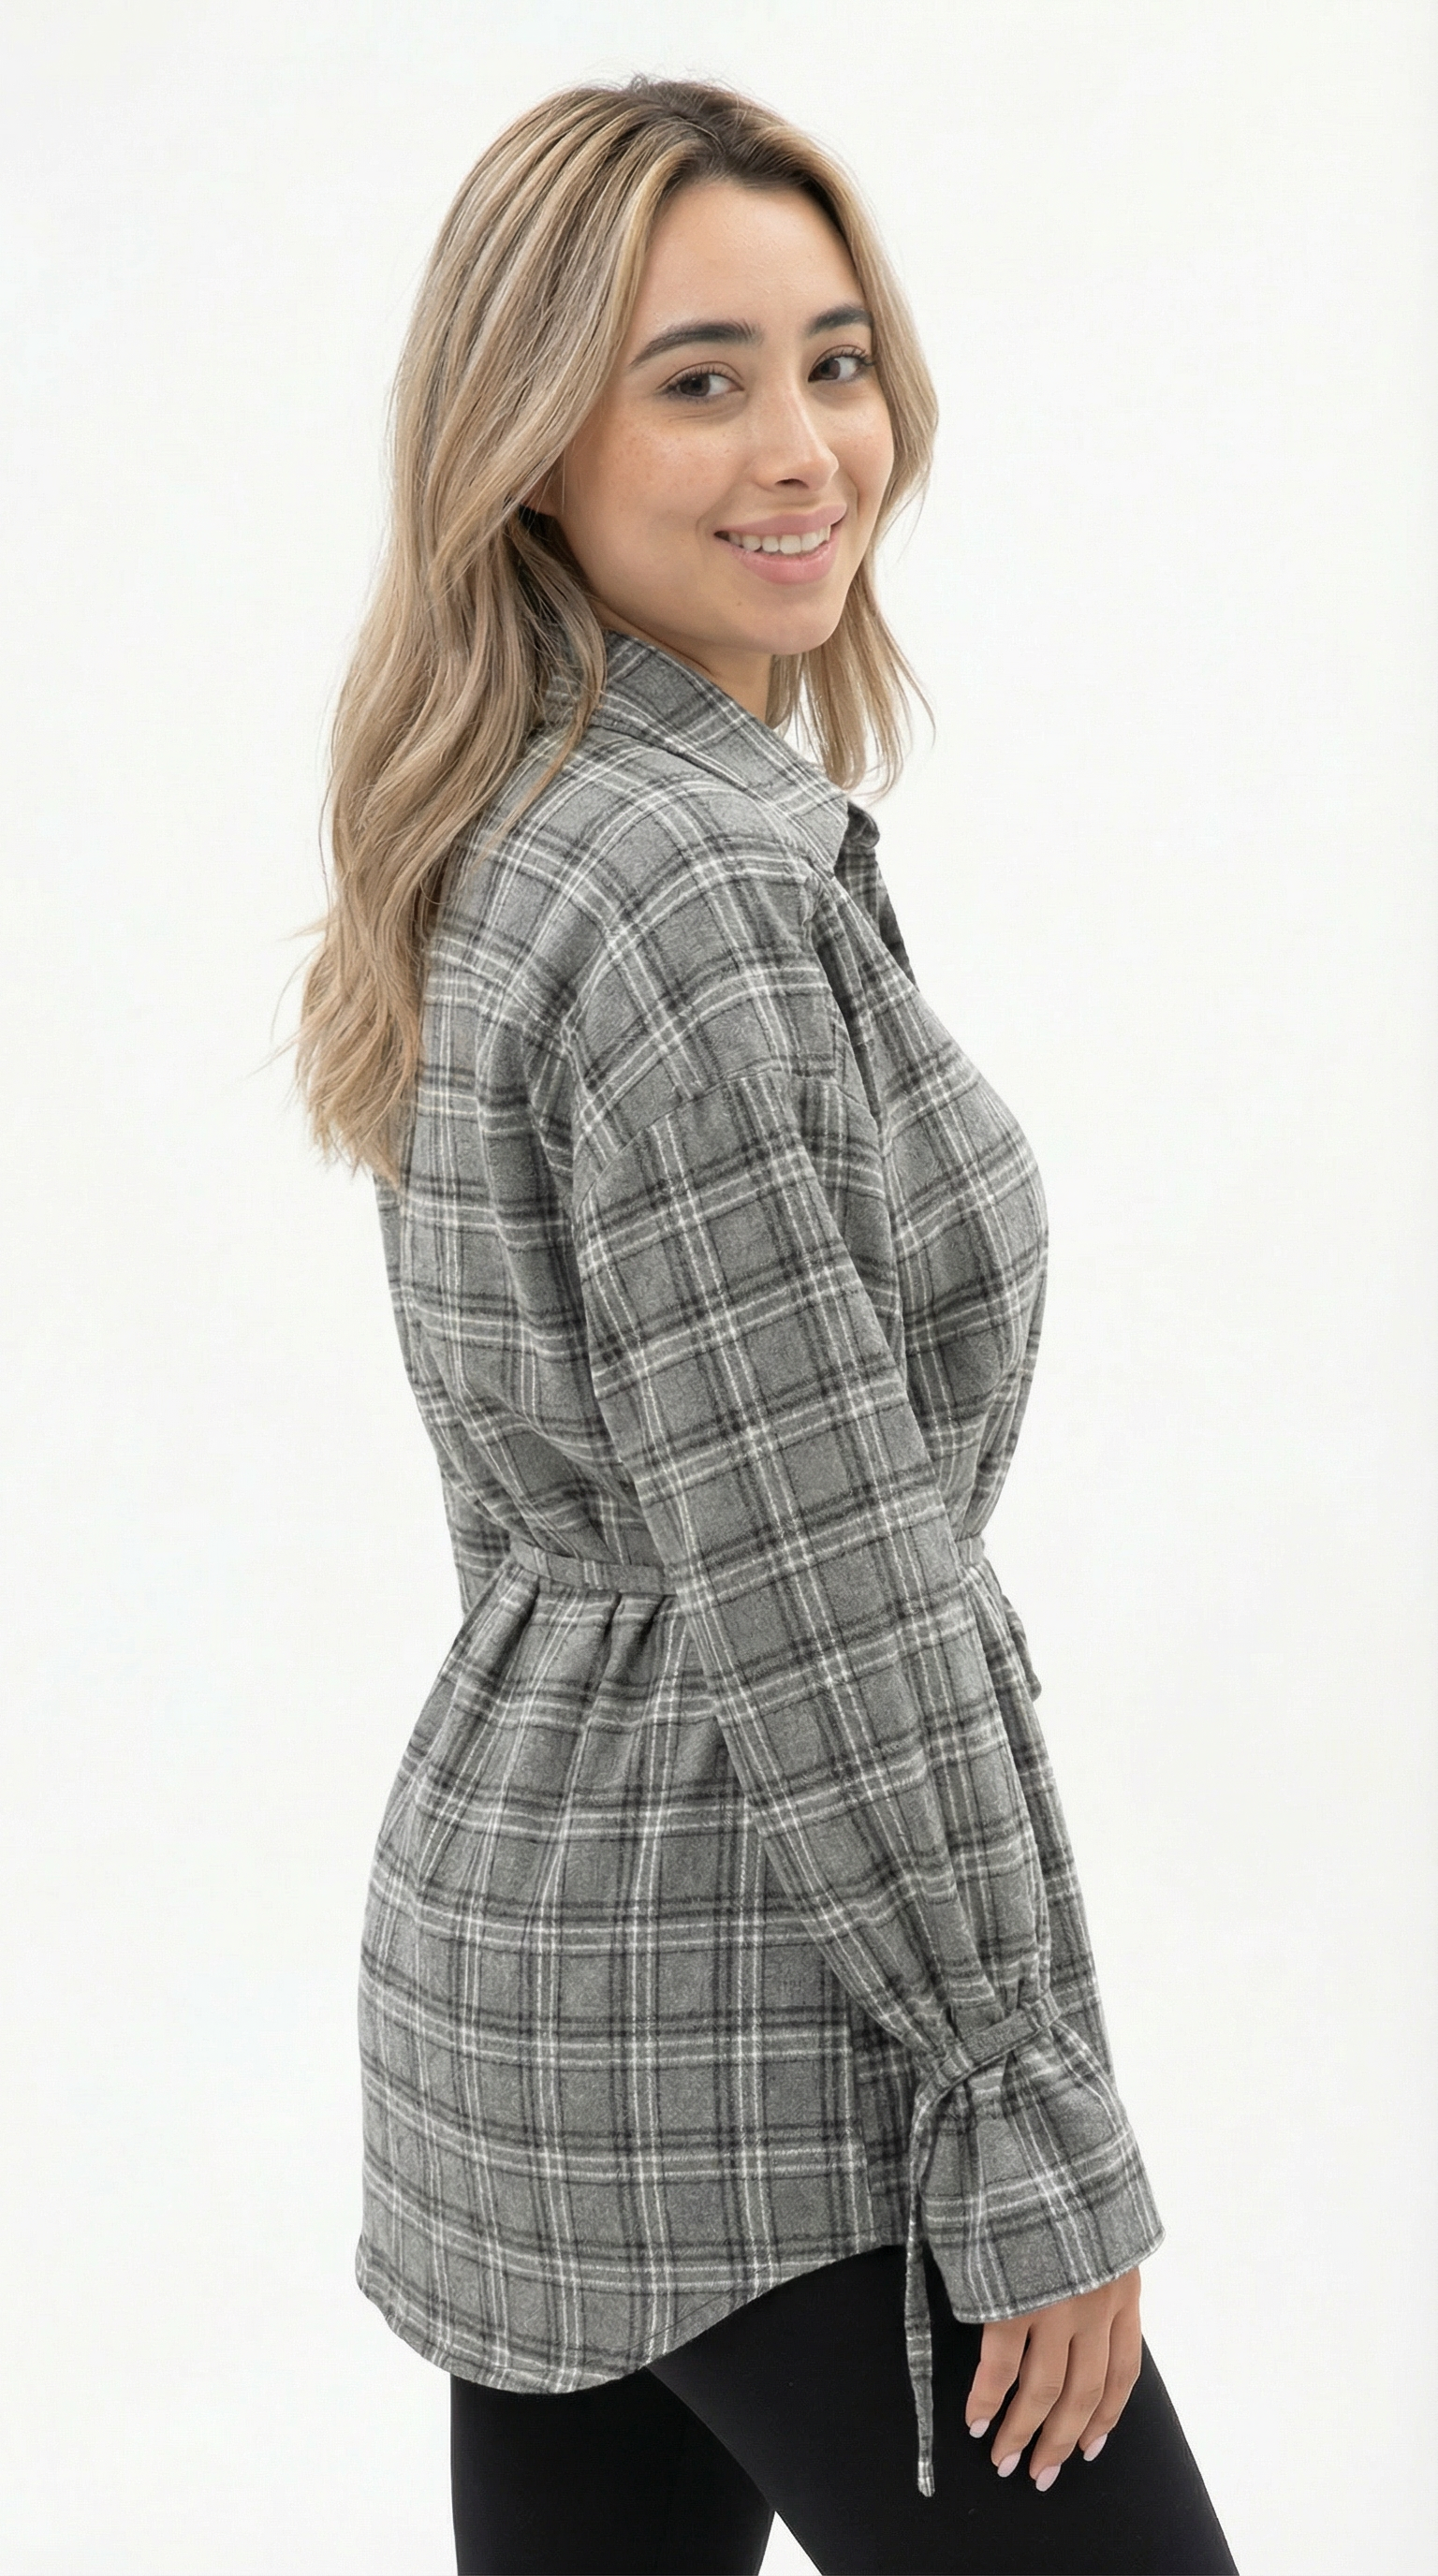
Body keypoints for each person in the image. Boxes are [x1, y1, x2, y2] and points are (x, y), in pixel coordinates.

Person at [295, 74, 1239, 2576]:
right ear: (528, 437)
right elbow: (827, 1596)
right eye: (698, 379)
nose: (810, 444)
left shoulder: (533, 806)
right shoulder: (694, 897)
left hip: (537, 1975)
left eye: (838, 358)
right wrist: (1026, 2115)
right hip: (756, 2020)